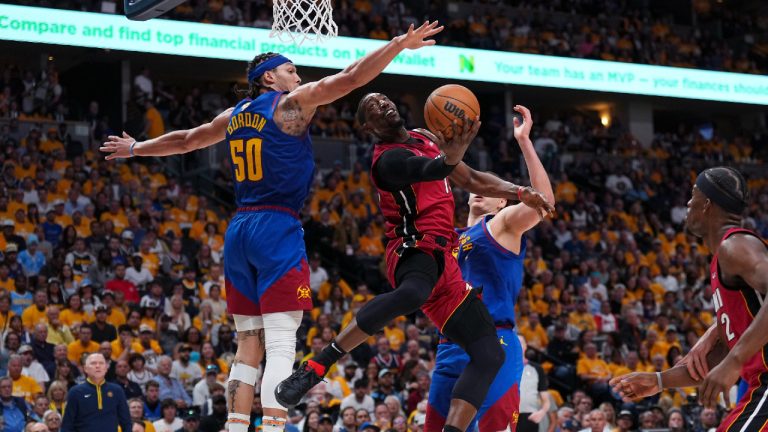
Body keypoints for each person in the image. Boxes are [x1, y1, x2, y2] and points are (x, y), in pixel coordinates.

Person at [101, 21, 444, 432]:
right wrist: (398, 45)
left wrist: (136, 148)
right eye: (292, 71)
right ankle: (274, 428)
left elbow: (186, 140)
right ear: (270, 77)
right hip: (276, 226)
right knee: (282, 342)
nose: (298, 77)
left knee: (248, 345)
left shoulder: (232, 116)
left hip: (239, 229)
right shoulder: (291, 105)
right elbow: (354, 78)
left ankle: (235, 425)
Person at [277, 93, 553, 432]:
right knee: (413, 293)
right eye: (373, 106)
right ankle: (318, 365)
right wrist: (453, 154)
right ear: (368, 127)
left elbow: (470, 178)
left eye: (384, 99)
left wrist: (520, 191)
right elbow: (434, 169)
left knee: (490, 355)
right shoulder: (387, 160)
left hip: (445, 266)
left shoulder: (426, 138)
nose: (383, 104)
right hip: (412, 248)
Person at [426, 105, 554, 432]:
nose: (482, 189)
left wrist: (524, 141)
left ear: (502, 200)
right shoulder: (448, 238)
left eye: (493, 188)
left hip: (494, 338)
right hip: (449, 344)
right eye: (480, 185)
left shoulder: (501, 225)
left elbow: (545, 203)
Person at [610, 166, 768, 432]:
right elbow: (721, 354)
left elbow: (731, 357)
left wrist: (734, 362)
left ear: (706, 204)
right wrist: (659, 381)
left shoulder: (736, 246)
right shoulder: (726, 260)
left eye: (693, 195)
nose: (687, 202)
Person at [61, 352, 131, 432]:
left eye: (101, 363)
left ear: (106, 368)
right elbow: (67, 425)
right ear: (85, 369)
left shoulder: (117, 390)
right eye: (93, 363)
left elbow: (126, 422)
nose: (98, 366)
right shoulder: (75, 392)